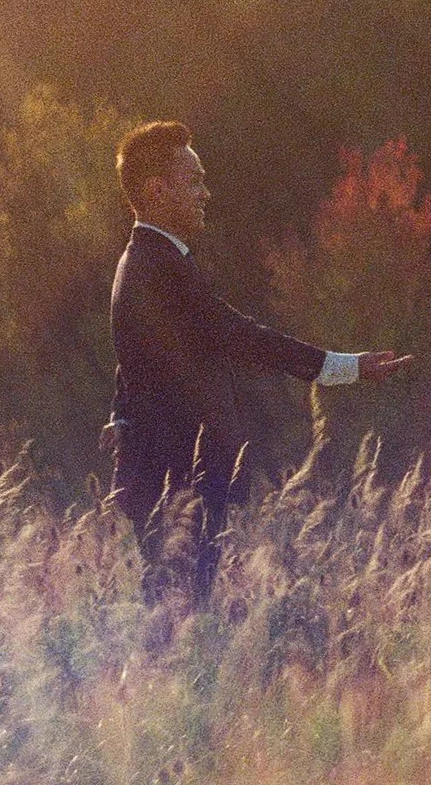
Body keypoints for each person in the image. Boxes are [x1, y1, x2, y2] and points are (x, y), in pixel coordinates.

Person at [105, 119, 407, 599]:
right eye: (194, 181)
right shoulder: (160, 268)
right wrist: (345, 367)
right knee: (182, 615)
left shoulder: (142, 262)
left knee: (174, 614)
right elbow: (241, 337)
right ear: (157, 191)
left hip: (163, 478)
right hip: (177, 480)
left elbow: (137, 361)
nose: (206, 193)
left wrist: (122, 424)